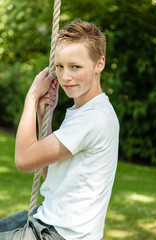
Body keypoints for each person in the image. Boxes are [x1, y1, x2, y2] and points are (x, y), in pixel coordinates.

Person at [0, 19, 119, 240]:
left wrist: (32, 98)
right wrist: (44, 114)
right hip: (47, 220)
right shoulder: (85, 111)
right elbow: (50, 173)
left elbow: (24, 160)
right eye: (60, 66)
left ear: (99, 64)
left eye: (76, 67)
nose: (65, 76)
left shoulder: (94, 118)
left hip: (58, 234)